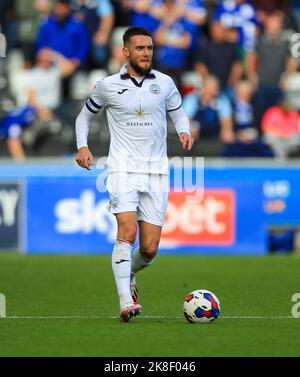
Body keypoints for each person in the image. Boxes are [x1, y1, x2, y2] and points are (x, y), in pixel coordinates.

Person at [75, 26, 194, 322]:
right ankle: (126, 302)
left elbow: (177, 111)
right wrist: (82, 146)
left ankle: (128, 272)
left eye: (149, 48)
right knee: (127, 232)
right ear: (125, 51)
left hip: (157, 173)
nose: (146, 53)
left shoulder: (165, 83)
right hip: (121, 169)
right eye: (140, 48)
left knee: (150, 250)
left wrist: (184, 130)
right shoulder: (107, 85)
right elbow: (84, 116)